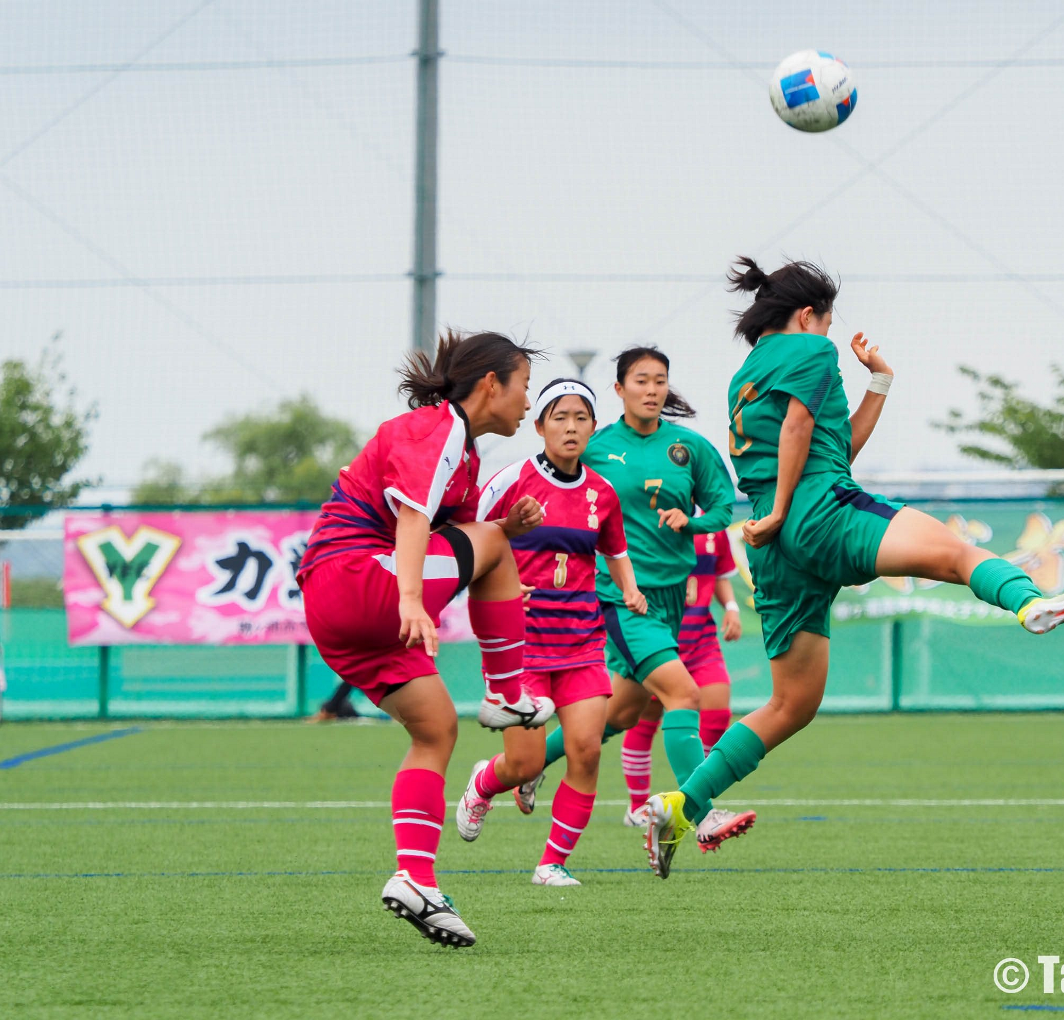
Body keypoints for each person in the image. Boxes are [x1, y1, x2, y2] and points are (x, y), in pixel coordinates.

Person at [641, 258, 1064, 878]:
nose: (831, 332)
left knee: (790, 704)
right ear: (809, 315)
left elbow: (832, 442)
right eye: (829, 320)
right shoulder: (809, 350)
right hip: (813, 509)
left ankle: (681, 806)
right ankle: (1030, 604)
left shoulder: (744, 376)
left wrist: (880, 384)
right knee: (954, 553)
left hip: (773, 544)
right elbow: (800, 429)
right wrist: (788, 506)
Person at [296, 330, 554, 948]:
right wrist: (412, 598)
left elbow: (452, 532)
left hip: (336, 614)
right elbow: (413, 519)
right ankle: (506, 693)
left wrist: (500, 532)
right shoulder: (436, 428)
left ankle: (415, 877)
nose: (528, 403)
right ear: (491, 384)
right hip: (359, 579)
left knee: (436, 727)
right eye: (523, 386)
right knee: (492, 547)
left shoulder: (460, 453)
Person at [513, 347, 756, 873]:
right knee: (683, 692)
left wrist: (689, 523)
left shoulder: (690, 448)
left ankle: (530, 766)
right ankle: (700, 811)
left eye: (660, 381)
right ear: (619, 391)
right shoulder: (596, 448)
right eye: (641, 381)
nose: (652, 389)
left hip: (669, 598)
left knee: (619, 714)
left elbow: (721, 508)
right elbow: (554, 496)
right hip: (620, 597)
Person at [452, 378, 648, 887]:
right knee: (525, 763)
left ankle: (551, 864)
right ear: (539, 426)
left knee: (586, 749)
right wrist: (494, 586)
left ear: (593, 428)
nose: (570, 427)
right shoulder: (510, 480)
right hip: (521, 649)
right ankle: (484, 783)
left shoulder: (602, 493)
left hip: (582, 644)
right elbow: (467, 539)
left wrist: (629, 588)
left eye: (581, 418)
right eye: (559, 417)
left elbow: (615, 549)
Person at [620, 522, 742, 825]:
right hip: (659, 637)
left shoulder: (713, 525)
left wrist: (731, 607)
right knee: (643, 719)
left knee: (717, 711)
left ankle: (691, 797)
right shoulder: (648, 520)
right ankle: (637, 807)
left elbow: (719, 573)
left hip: (701, 639)